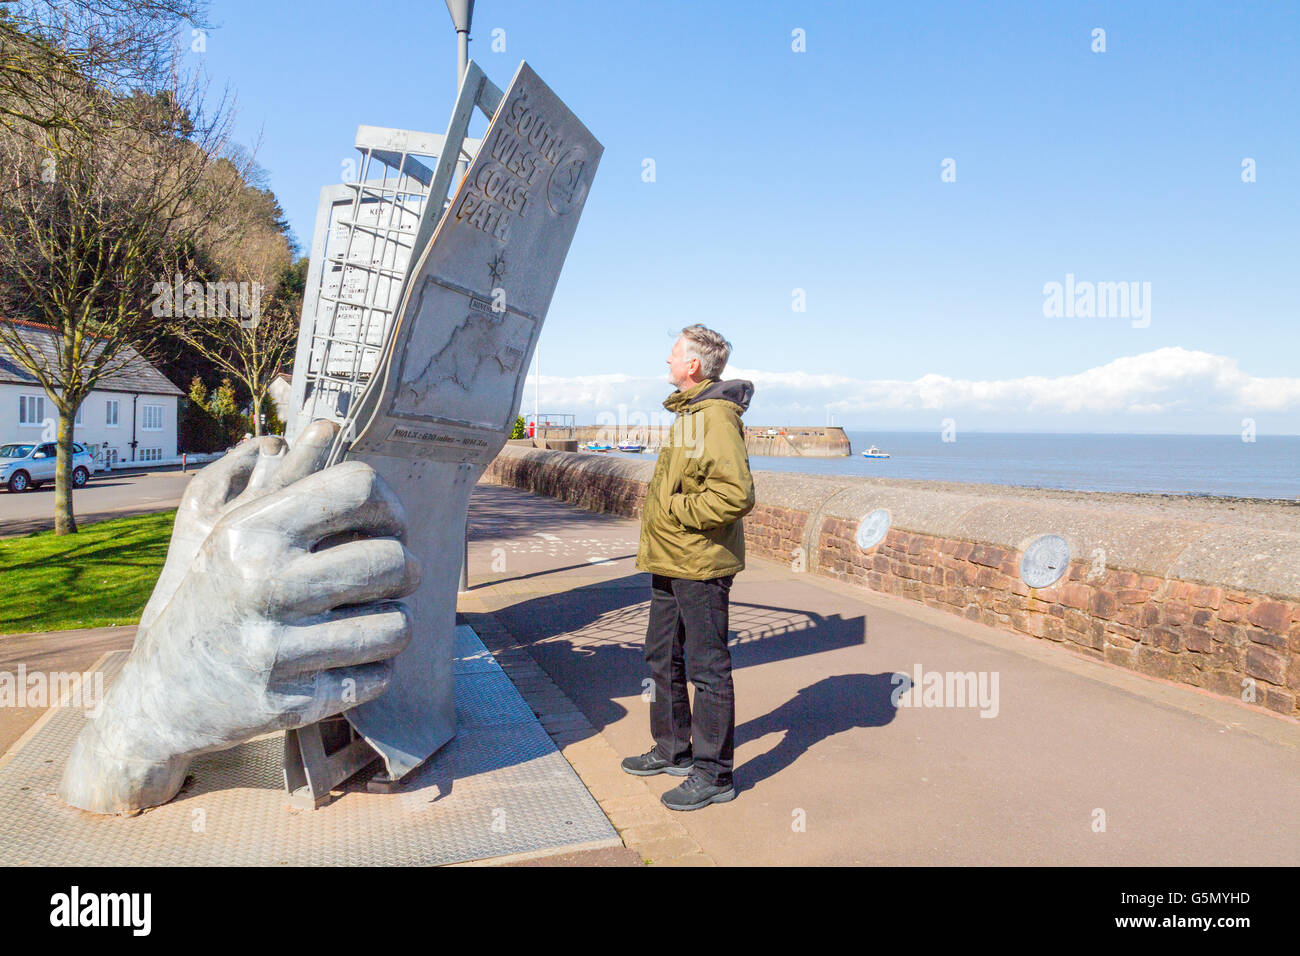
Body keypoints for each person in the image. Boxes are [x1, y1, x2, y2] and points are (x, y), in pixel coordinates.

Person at [622, 324, 755, 810]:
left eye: (673, 354)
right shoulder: (691, 413)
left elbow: (735, 494)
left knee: (708, 668)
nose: (667, 361)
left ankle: (714, 773)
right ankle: (673, 748)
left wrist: (675, 513)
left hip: (699, 563)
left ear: (693, 365)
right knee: (661, 657)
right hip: (671, 559)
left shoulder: (714, 417)